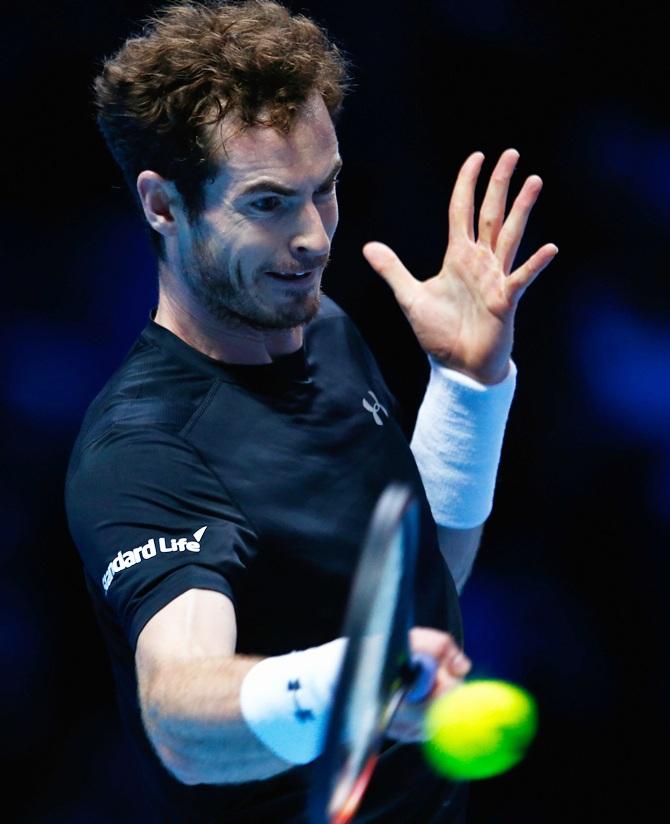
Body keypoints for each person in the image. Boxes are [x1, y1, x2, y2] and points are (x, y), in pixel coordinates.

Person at [65, 1, 557, 821]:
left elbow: (424, 580)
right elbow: (180, 717)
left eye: (322, 189)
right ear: (163, 206)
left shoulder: (320, 326)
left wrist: (470, 388)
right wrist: (349, 684)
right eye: (266, 203)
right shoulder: (142, 451)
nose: (314, 238)